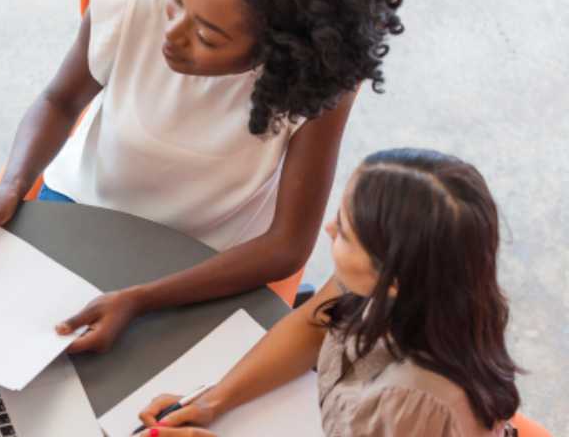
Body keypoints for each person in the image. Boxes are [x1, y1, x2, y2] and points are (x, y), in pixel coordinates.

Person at [0, 0, 404, 353]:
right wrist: (13, 182)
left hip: (213, 258)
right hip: (83, 208)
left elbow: (288, 244)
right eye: (176, 0)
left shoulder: (314, 86)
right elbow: (58, 101)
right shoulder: (128, 5)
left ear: (278, 52)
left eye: (208, 35)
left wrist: (141, 299)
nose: (171, 34)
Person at [135, 148, 520, 436]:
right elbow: (314, 324)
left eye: (347, 233)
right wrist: (212, 401)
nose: (330, 229)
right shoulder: (419, 284)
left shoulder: (412, 399)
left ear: (395, 276)